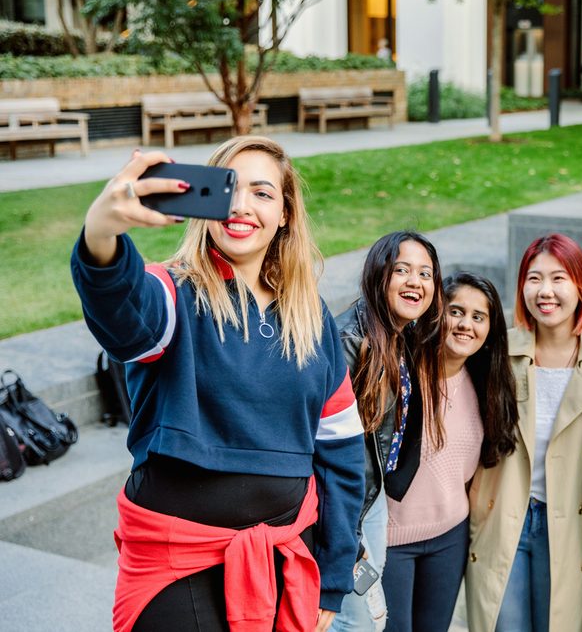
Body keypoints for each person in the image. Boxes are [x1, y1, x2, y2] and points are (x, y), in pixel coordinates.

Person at [71, 137, 364, 632]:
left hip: (282, 563)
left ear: (286, 214)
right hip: (175, 567)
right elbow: (123, 312)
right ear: (202, 200)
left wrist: (334, 572)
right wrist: (102, 234)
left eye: (263, 193)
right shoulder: (173, 292)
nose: (242, 206)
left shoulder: (312, 321)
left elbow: (342, 456)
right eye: (228, 188)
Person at [465, 233, 582, 632]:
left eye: (559, 278)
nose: (545, 291)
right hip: (504, 516)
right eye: (534, 278)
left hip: (572, 521)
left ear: (581, 286)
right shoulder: (499, 352)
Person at [381, 272, 518, 632]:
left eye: (478, 317)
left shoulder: (487, 383)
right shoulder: (401, 374)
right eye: (456, 311)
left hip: (449, 538)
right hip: (392, 541)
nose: (466, 325)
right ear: (437, 313)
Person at [332, 231, 446, 631]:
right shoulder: (350, 341)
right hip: (344, 506)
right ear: (379, 275)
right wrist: (346, 533)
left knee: (368, 616)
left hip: (371, 496)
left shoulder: (402, 335)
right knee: (356, 621)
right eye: (402, 270)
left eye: (425, 273)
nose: (415, 282)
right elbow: (327, 450)